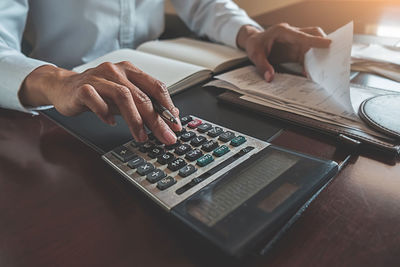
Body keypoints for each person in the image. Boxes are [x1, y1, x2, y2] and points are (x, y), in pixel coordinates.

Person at [0, 0, 331, 145]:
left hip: (164, 87)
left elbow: (204, 3)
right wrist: (60, 80)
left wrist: (249, 34)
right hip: (62, 103)